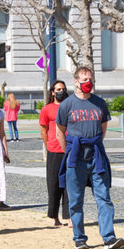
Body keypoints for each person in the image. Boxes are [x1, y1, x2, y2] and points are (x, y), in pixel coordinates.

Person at [56, 66, 124, 249]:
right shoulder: (67, 105)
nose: (88, 82)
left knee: (104, 198)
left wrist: (93, 146)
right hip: (75, 157)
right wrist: (70, 152)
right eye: (84, 79)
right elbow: (60, 131)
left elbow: (102, 129)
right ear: (76, 82)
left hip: (96, 156)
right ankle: (79, 237)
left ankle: (109, 237)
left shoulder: (100, 103)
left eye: (90, 79)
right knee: (76, 200)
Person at [39, 80, 71, 227]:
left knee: (70, 185)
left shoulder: (70, 106)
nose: (61, 91)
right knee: (54, 185)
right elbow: (43, 131)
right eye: (58, 89)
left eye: (63, 89)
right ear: (52, 92)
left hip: (70, 150)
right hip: (54, 151)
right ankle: (54, 217)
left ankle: (69, 217)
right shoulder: (46, 109)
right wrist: (49, 146)